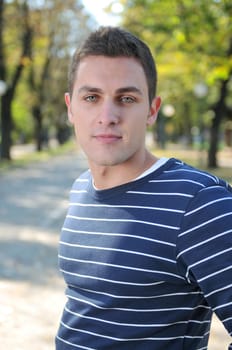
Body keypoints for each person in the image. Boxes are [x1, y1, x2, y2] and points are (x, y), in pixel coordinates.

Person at [56, 26, 232, 349]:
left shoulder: (198, 204)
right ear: (70, 107)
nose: (107, 116)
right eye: (92, 97)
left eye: (126, 98)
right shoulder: (82, 188)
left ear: (151, 109)